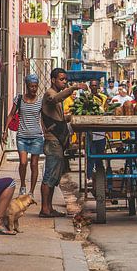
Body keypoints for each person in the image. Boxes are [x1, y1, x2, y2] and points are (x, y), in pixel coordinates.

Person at [40, 68, 87, 217]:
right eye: (62, 79)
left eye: (65, 80)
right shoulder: (50, 94)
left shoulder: (57, 98)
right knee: (49, 176)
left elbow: (59, 118)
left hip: (58, 142)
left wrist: (73, 117)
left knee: (54, 177)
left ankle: (49, 208)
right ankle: (44, 208)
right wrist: (73, 88)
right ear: (53, 80)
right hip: (52, 142)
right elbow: (55, 99)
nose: (64, 82)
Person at [2, 74, 43, 197]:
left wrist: (47, 133)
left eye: (35, 86)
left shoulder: (40, 101)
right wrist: (5, 131)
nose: (34, 89)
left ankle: (31, 192)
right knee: (23, 162)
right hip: (22, 137)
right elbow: (11, 115)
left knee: (34, 164)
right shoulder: (19, 99)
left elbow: (43, 119)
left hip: (36, 136)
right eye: (31, 86)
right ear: (27, 86)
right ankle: (23, 185)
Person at [88, 78, 107, 182]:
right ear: (90, 87)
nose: (94, 87)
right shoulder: (86, 98)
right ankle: (89, 176)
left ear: (98, 87)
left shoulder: (103, 98)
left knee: (100, 156)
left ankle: (101, 175)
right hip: (90, 132)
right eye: (92, 85)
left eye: (96, 85)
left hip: (101, 132)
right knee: (91, 156)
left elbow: (107, 109)